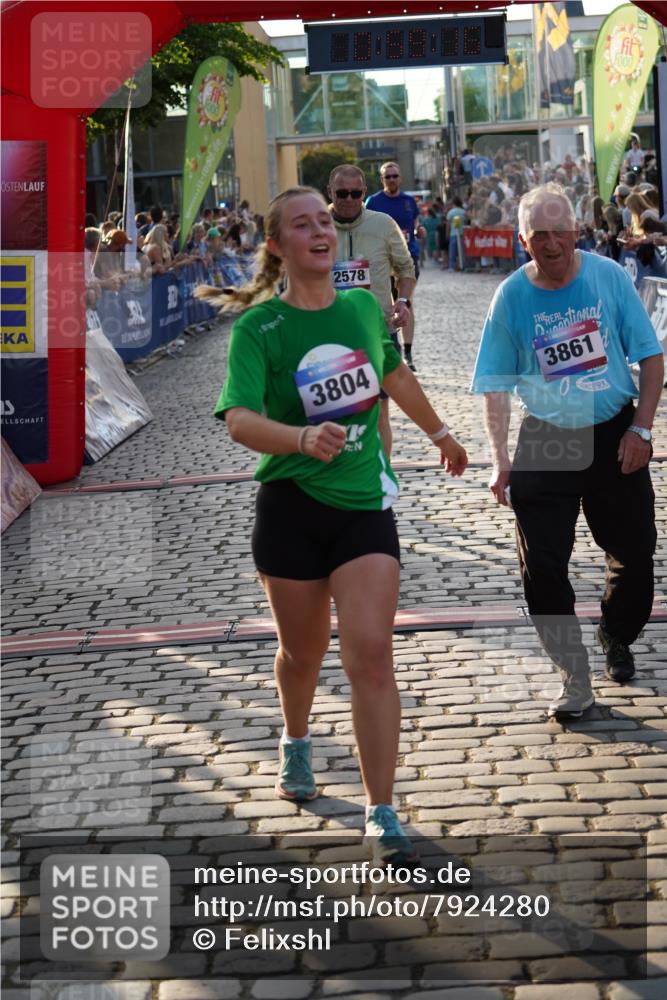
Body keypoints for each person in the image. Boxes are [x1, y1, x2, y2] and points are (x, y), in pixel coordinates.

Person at [197, 185, 468, 862]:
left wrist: (439, 433)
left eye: (325, 220)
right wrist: (297, 438)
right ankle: (295, 739)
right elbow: (237, 419)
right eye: (303, 223)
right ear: (276, 244)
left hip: (361, 507)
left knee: (370, 652)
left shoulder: (359, 308)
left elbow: (393, 374)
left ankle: (381, 809)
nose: (320, 230)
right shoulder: (259, 329)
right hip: (289, 510)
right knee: (302, 655)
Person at [471, 183, 663, 720]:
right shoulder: (511, 295)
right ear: (522, 240)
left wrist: (642, 431)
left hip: (612, 432)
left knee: (635, 555)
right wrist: (500, 458)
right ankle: (573, 675)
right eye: (539, 236)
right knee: (542, 568)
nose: (551, 244)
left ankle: (616, 632)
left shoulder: (608, 277)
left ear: (576, 233)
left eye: (560, 232)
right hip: (548, 436)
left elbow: (650, 358)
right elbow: (495, 382)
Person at [327, 163, 416, 459]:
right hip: (329, 335)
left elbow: (406, 269)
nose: (349, 199)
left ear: (364, 192)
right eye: (342, 193)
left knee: (379, 414)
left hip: (377, 333)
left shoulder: (383, 224)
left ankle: (381, 479)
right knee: (335, 418)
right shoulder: (316, 226)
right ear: (331, 192)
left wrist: (402, 301)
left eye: (355, 193)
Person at [365, 162, 424, 371]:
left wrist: (419, 230)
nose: (391, 180)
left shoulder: (408, 201)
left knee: (405, 303)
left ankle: (407, 353)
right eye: (387, 177)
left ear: (400, 178)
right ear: (382, 180)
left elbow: (415, 223)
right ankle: (387, 345)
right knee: (383, 303)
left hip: (406, 258)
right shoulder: (372, 202)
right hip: (381, 260)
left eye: (394, 176)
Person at [445, 197, 466, 273]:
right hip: (462, 233)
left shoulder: (451, 212)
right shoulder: (463, 212)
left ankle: (452, 266)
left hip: (453, 233)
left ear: (453, 204)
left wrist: (447, 233)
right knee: (462, 250)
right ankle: (463, 264)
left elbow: (448, 224)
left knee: (452, 251)